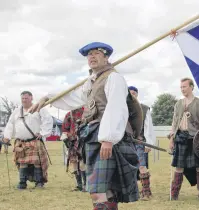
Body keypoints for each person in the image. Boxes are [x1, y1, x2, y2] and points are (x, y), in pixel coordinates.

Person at [28, 42, 142, 210]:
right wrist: (48, 97)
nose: (92, 57)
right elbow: (74, 97)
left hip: (107, 139)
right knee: (105, 191)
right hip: (94, 137)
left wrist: (108, 139)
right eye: (89, 55)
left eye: (96, 53)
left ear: (106, 57)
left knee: (99, 190)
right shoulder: (91, 82)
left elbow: (116, 108)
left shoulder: (113, 77)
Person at [168, 78, 199, 202]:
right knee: (179, 167)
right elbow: (174, 123)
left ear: (191, 87)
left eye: (184, 87)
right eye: (181, 87)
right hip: (181, 138)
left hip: (195, 139)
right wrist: (171, 139)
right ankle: (174, 194)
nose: (182, 89)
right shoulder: (178, 104)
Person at [2, 91, 53, 189]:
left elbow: (47, 120)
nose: (24, 100)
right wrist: (7, 136)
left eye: (26, 98)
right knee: (22, 162)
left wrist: (43, 132)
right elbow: (10, 124)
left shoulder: (39, 108)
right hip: (21, 142)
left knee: (37, 162)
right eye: (22, 98)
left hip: (35, 141)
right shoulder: (16, 111)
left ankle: (39, 182)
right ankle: (22, 183)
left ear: (31, 98)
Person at [128, 86, 157, 201]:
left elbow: (148, 127)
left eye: (134, 93)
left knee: (142, 166)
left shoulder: (144, 109)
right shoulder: (123, 108)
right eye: (130, 93)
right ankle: (132, 192)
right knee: (128, 167)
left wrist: (148, 143)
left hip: (139, 142)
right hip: (126, 142)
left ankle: (146, 192)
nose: (132, 95)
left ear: (137, 94)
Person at [61, 107, 87, 192]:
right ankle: (79, 185)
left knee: (83, 163)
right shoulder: (69, 114)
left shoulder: (86, 111)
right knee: (74, 163)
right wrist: (67, 137)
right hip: (73, 142)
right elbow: (65, 129)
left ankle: (86, 185)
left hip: (84, 141)